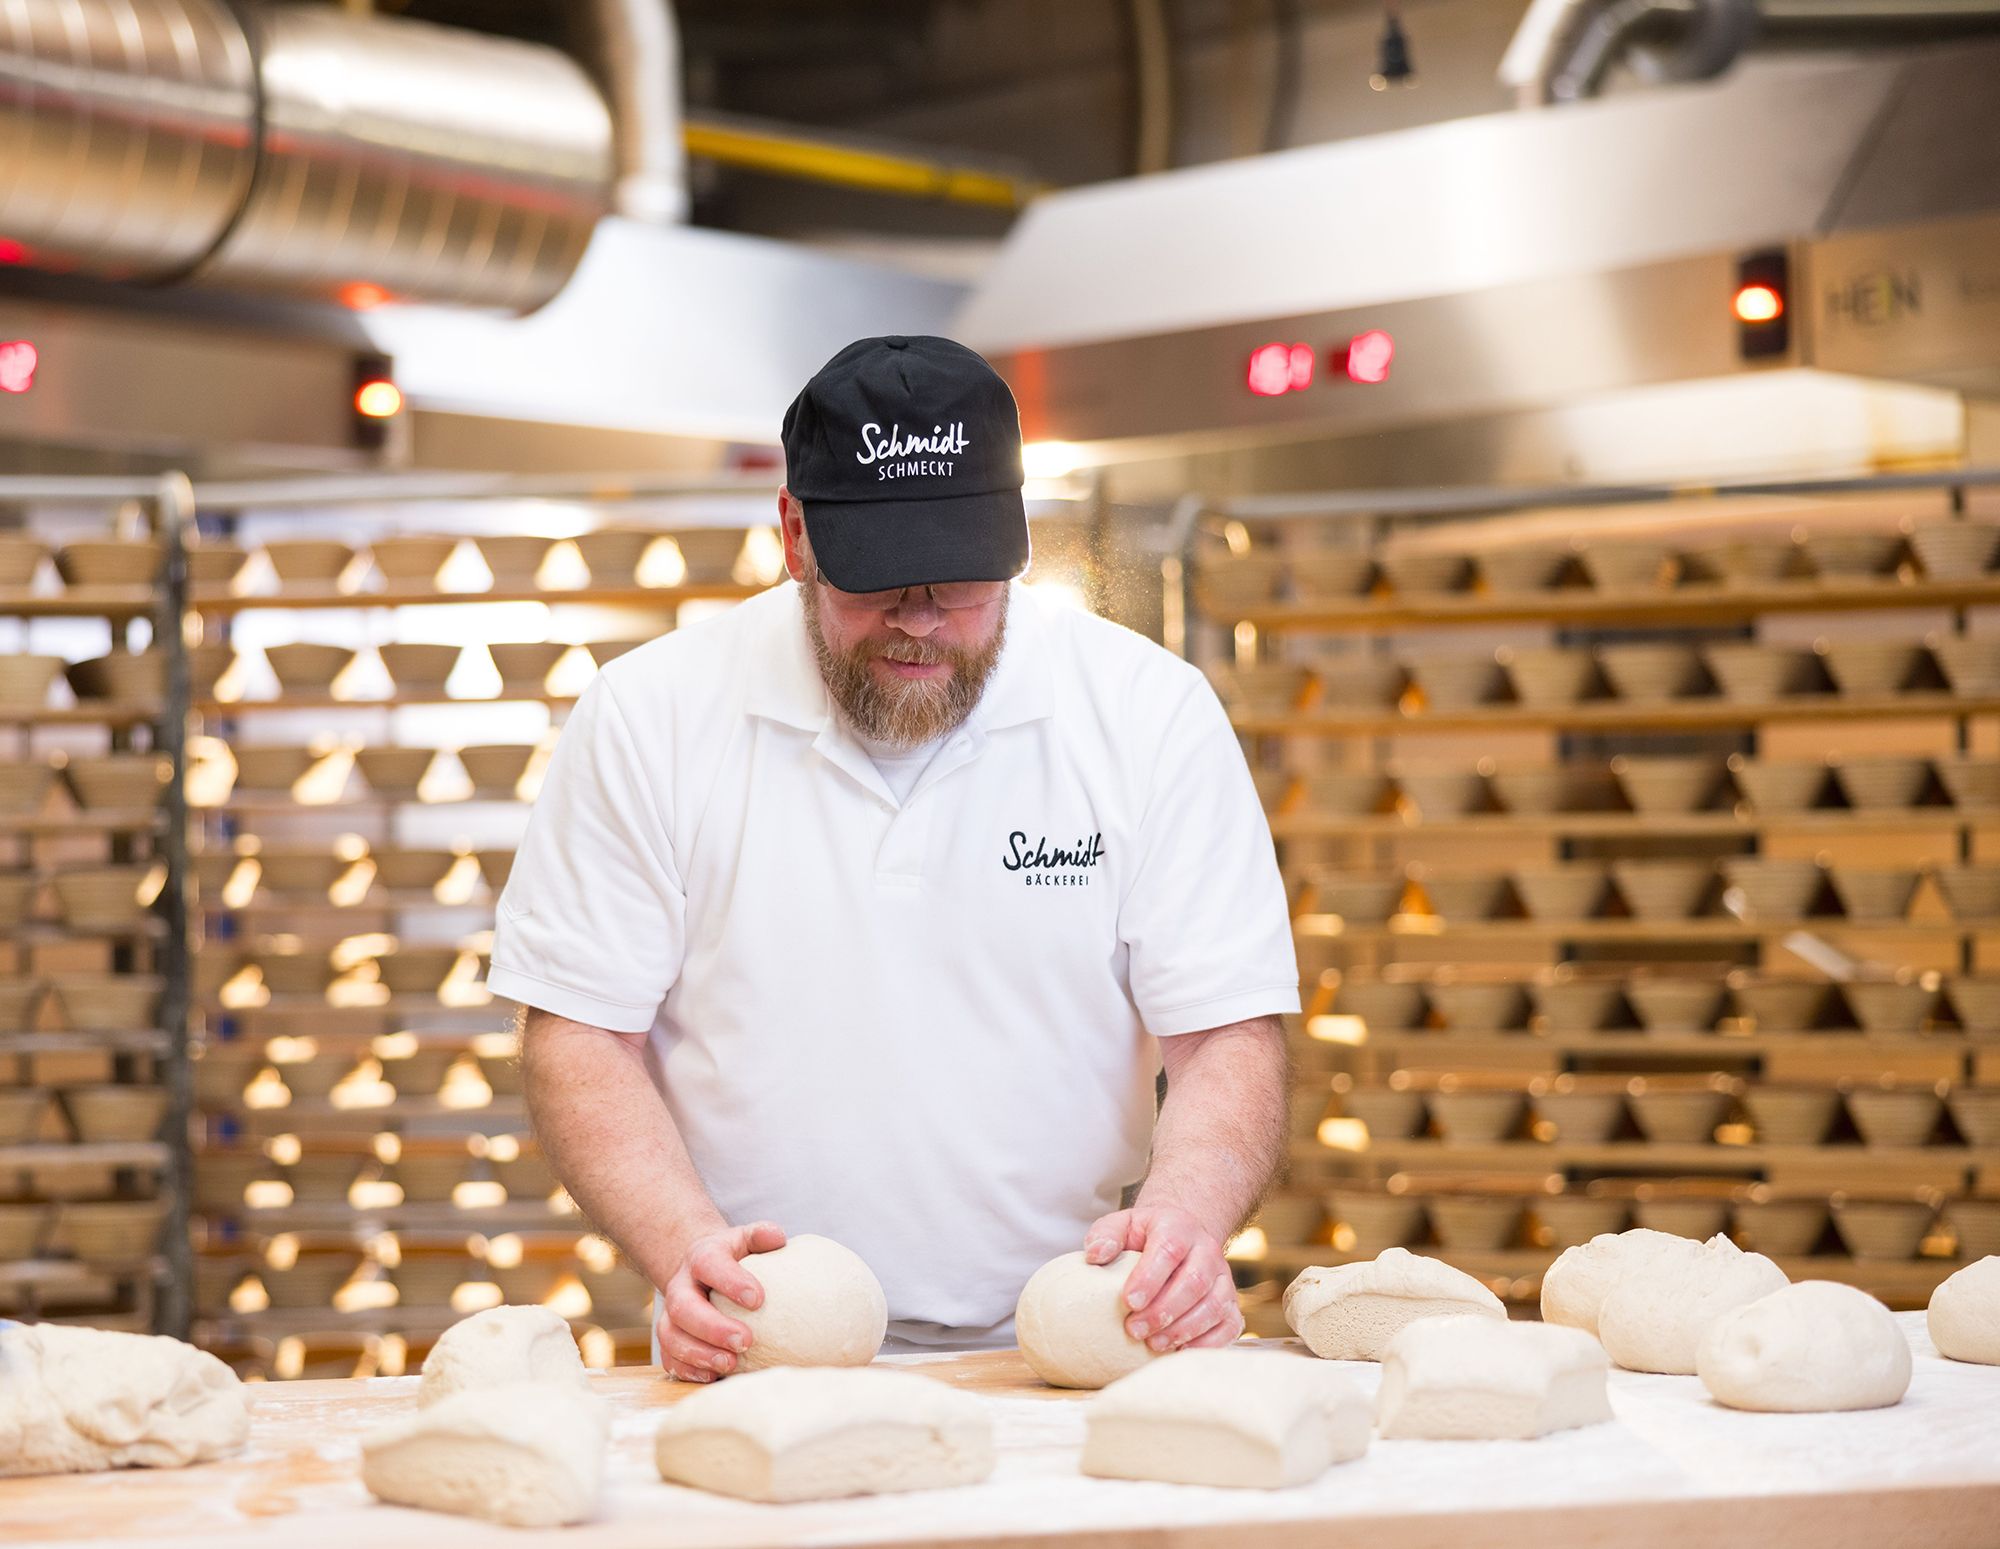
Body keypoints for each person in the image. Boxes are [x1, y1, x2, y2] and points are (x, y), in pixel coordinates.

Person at [488, 335, 1298, 1383]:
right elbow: (583, 1032)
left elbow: (1224, 1029)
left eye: (958, 580)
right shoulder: (652, 717)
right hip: (755, 1346)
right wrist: (682, 1245)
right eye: (879, 580)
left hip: (1076, 1346)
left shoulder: (1147, 715)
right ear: (795, 534)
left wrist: (1185, 1219)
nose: (920, 620)